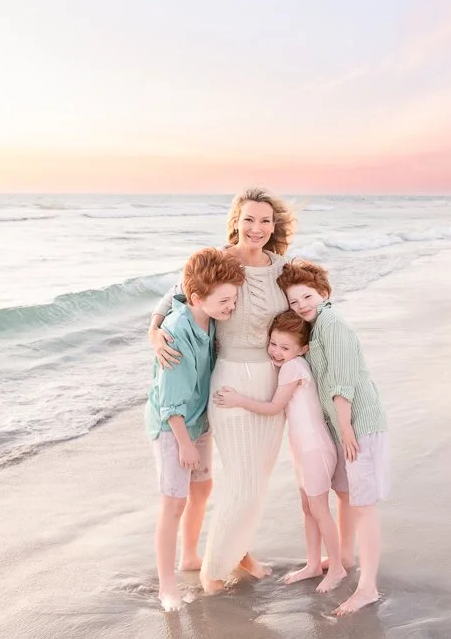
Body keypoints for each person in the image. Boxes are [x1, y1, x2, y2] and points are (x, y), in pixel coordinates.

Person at [148, 188, 297, 593]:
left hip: (271, 380)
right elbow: (176, 295)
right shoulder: (221, 260)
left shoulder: (282, 269)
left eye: (265, 220)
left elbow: (307, 312)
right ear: (236, 222)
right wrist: (153, 330)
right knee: (243, 480)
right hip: (230, 378)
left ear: (274, 225)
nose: (257, 228)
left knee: (257, 479)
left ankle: (239, 549)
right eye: (249, 219)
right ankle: (214, 571)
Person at [277, 258, 390, 616]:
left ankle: (368, 587)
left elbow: (342, 383)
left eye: (307, 297)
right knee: (344, 494)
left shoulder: (332, 325)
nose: (302, 306)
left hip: (358, 425)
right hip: (344, 425)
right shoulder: (318, 327)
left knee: (363, 505)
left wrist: (344, 430)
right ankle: (343, 558)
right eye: (294, 302)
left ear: (324, 293)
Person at [214, 310, 345, 593]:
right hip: (303, 450)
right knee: (308, 510)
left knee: (320, 511)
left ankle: (336, 568)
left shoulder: (293, 368)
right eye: (273, 343)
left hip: (314, 450)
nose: (276, 351)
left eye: (285, 347)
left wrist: (238, 399)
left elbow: (274, 407)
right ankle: (312, 564)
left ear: (302, 349)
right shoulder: (290, 365)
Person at [144, 247, 245, 611]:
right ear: (198, 298)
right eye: (225, 301)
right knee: (174, 502)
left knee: (202, 489)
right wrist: (184, 443)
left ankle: (189, 556)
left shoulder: (210, 316)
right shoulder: (176, 331)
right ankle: (166, 585)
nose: (230, 308)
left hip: (199, 421)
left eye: (233, 300)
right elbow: (170, 398)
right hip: (174, 428)